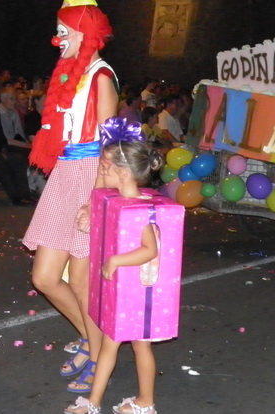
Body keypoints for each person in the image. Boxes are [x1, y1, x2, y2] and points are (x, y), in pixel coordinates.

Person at [23, 0, 118, 394]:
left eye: (64, 31)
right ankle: (91, 339)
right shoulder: (70, 74)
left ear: (83, 32)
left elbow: (110, 146)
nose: (57, 38)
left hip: (91, 176)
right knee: (45, 277)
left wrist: (96, 200)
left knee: (82, 282)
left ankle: (99, 355)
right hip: (66, 174)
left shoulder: (100, 77)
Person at [66, 124, 167, 414]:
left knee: (140, 345)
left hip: (137, 291)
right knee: (110, 345)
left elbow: (150, 249)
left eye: (105, 167)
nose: (101, 172)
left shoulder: (138, 208)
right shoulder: (116, 201)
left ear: (122, 173)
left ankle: (145, 402)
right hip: (120, 291)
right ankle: (93, 402)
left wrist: (116, 261)